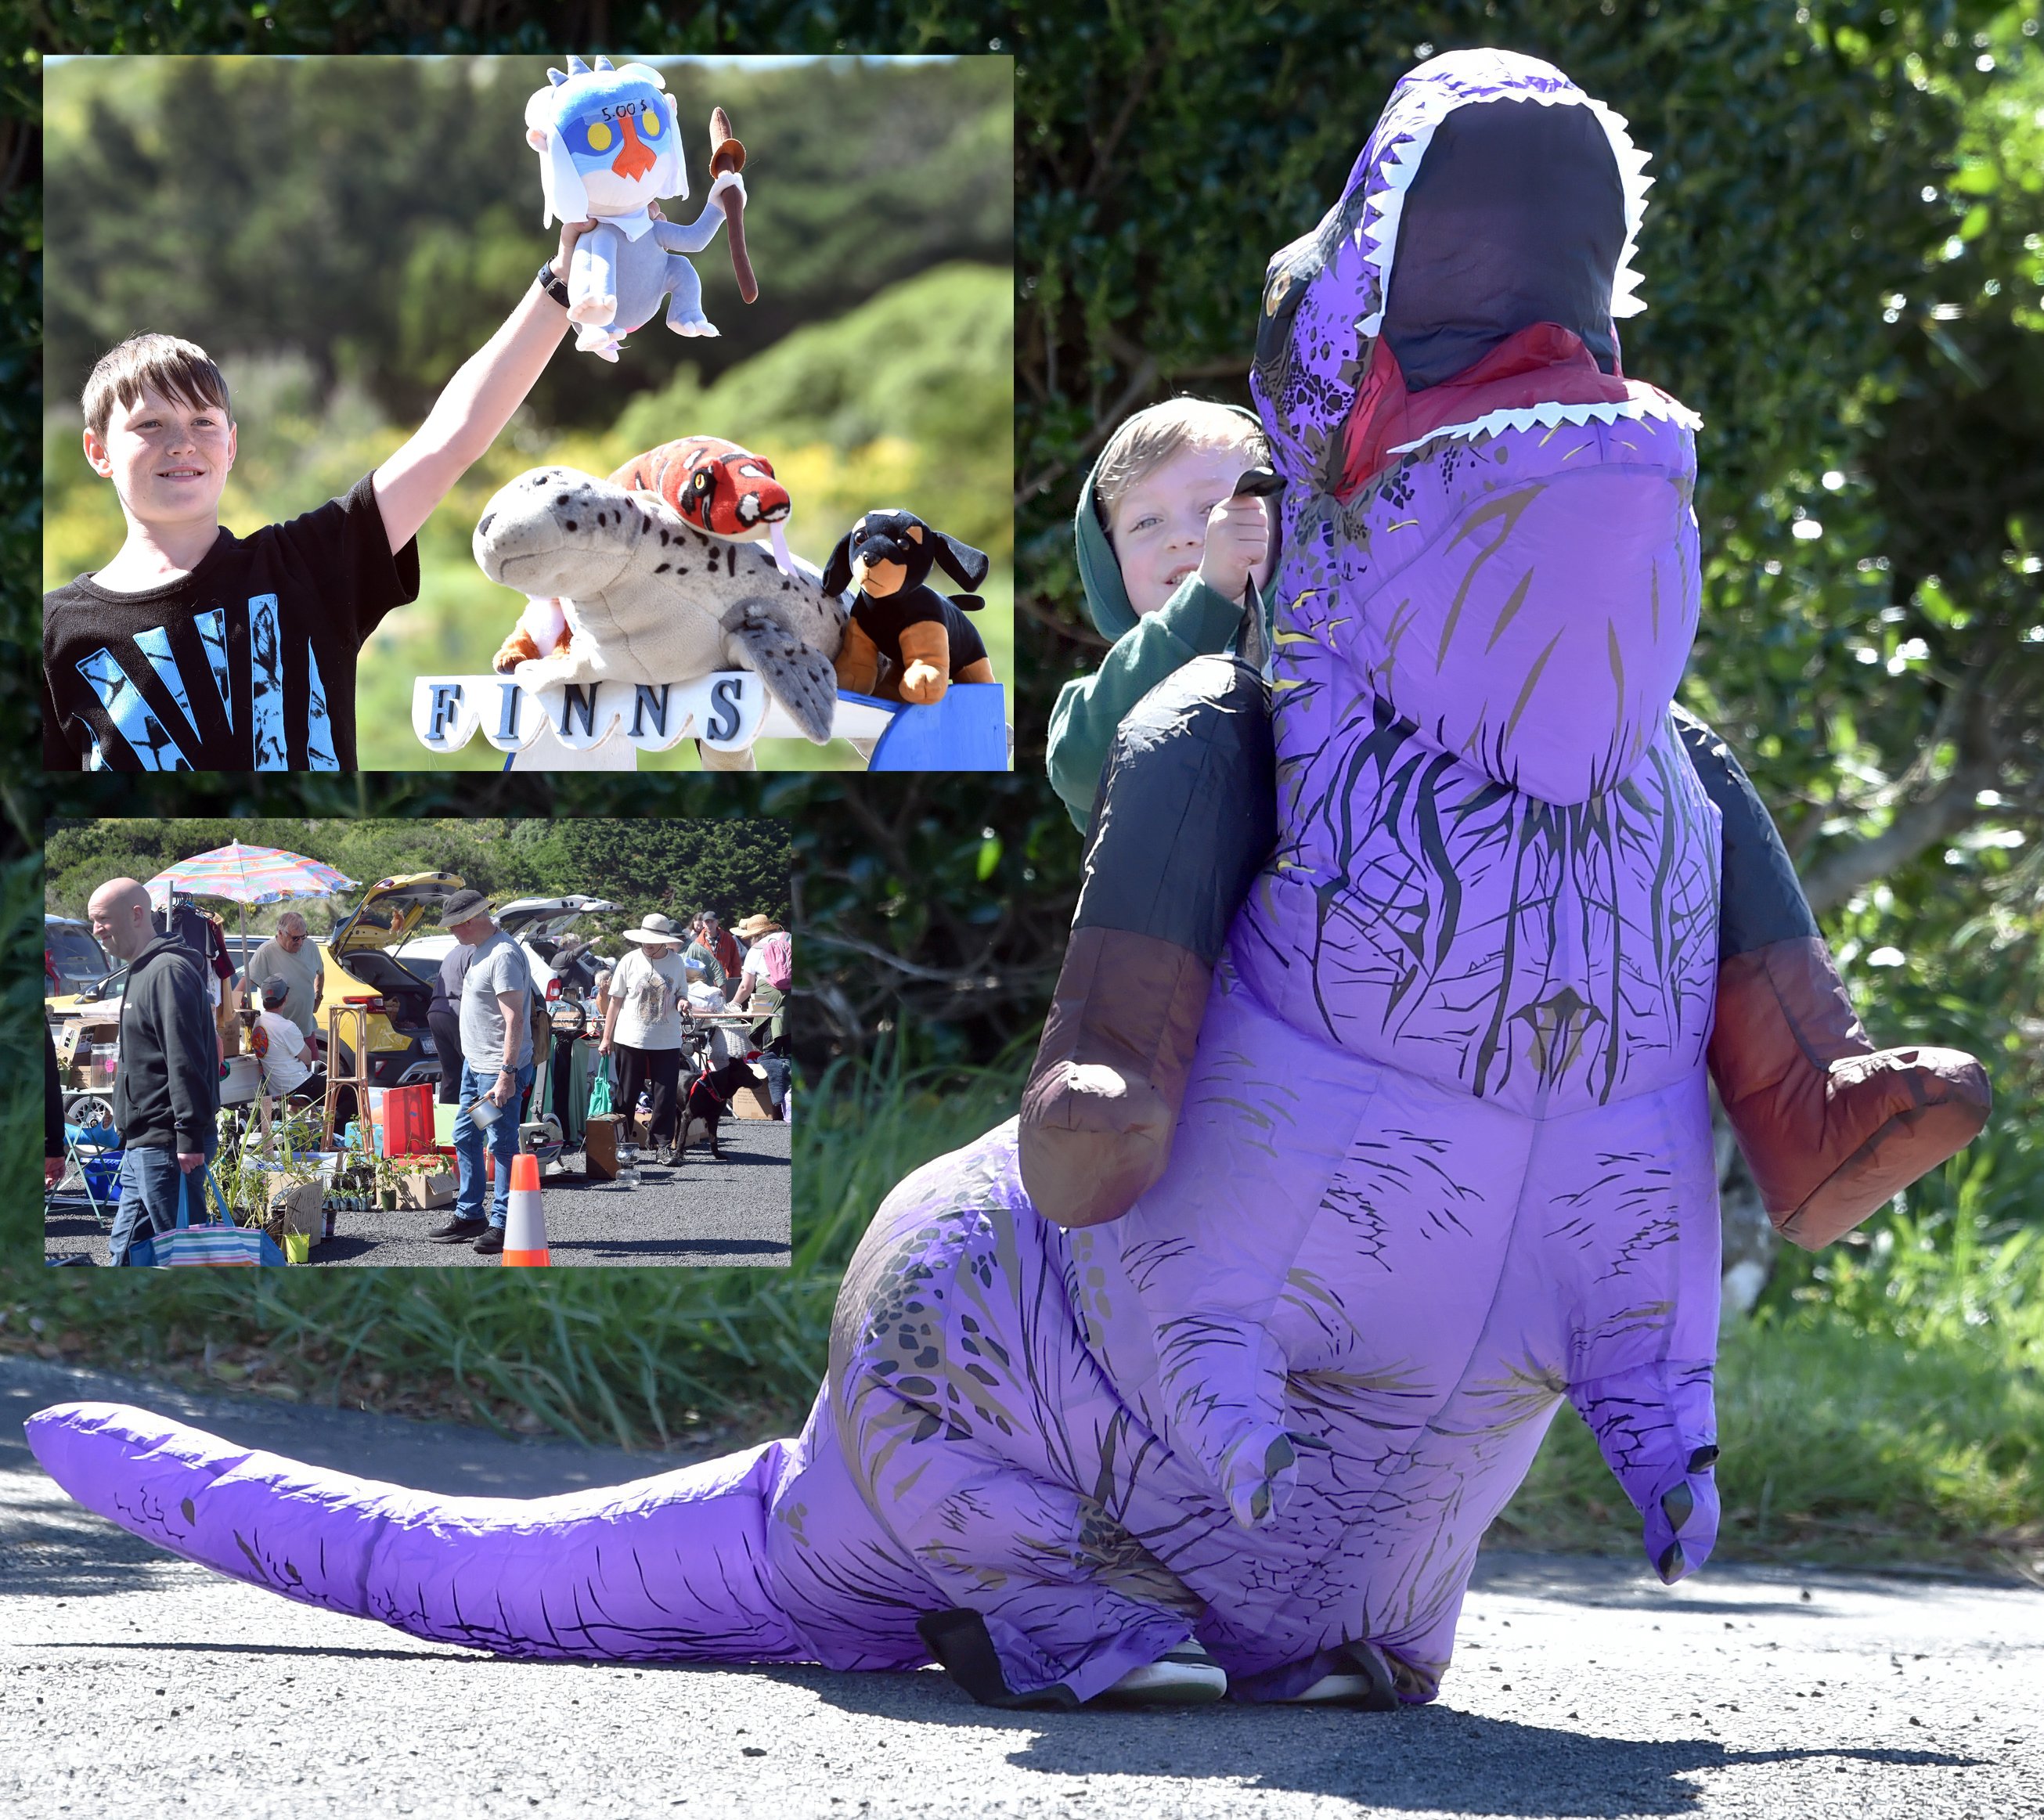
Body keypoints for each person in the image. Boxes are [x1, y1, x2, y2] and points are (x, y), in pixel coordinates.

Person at [43, 207, 599, 771]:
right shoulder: (53, 633)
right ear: (98, 451)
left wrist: (559, 285)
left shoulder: (308, 566)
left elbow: (449, 440)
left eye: (203, 422)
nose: (182, 442)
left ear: (230, 446)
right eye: (150, 425)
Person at [1044, 398, 1277, 829]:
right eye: (1147, 522)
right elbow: (1080, 768)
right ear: (1110, 563)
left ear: (1280, 522)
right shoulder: (1104, 700)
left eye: (1212, 509)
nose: (1183, 538)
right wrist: (1207, 599)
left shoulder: (1340, 637)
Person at [86, 876, 219, 1265]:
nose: (96, 930)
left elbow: (186, 1058)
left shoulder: (166, 972)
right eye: (94, 921)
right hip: (143, 1145)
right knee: (125, 1252)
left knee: (185, 1257)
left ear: (137, 915)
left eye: (103, 920)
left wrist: (189, 1136)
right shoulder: (143, 969)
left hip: (167, 1145)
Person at [428, 891, 535, 1256]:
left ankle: (503, 1224)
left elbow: (515, 1018)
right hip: (478, 1069)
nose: (452, 932)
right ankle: (471, 1214)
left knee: (500, 1145)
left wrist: (507, 1074)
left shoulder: (502, 954)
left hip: (496, 1072)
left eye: (454, 925)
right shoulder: (483, 949)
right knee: (465, 1135)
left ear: (470, 920)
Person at [600, 913, 689, 1165]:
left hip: (667, 1039)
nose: (647, 944)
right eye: (644, 939)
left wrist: (683, 1002)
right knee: (627, 1095)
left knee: (665, 1094)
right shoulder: (629, 960)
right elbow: (615, 1002)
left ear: (663, 940)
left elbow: (681, 992)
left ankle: (662, 1145)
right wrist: (607, 1038)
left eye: (653, 939)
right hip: (630, 1037)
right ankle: (623, 1146)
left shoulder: (677, 963)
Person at [729, 913, 791, 1117]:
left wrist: (733, 1005)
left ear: (754, 935)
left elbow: (746, 986)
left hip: (768, 999)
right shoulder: (788, 938)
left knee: (771, 1052)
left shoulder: (756, 950)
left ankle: (777, 1106)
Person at [243, 911, 322, 1042]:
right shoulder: (266, 951)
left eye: (304, 936)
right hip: (278, 1034)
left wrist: (318, 996)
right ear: (280, 933)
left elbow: (321, 972)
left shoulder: (311, 946)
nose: (301, 942)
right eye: (295, 938)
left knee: (307, 1062)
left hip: (306, 1030)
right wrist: (230, 1012)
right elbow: (246, 982)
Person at [250, 977, 318, 1101]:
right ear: (285, 998)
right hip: (298, 1086)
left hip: (277, 1089)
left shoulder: (258, 1023)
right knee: (349, 1090)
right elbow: (308, 1058)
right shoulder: (287, 1027)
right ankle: (334, 1122)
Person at [427, 939, 474, 1109]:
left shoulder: (454, 952)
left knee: (450, 1074)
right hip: (456, 1012)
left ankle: (446, 1124)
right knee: (475, 1071)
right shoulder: (475, 953)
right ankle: (475, 1124)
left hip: (435, 1012)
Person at [699, 908, 742, 982]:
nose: (710, 925)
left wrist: (733, 980)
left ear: (717, 922)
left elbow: (736, 962)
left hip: (727, 980)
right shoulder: (699, 942)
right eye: (707, 922)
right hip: (708, 983)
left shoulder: (728, 938)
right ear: (703, 924)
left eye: (712, 922)